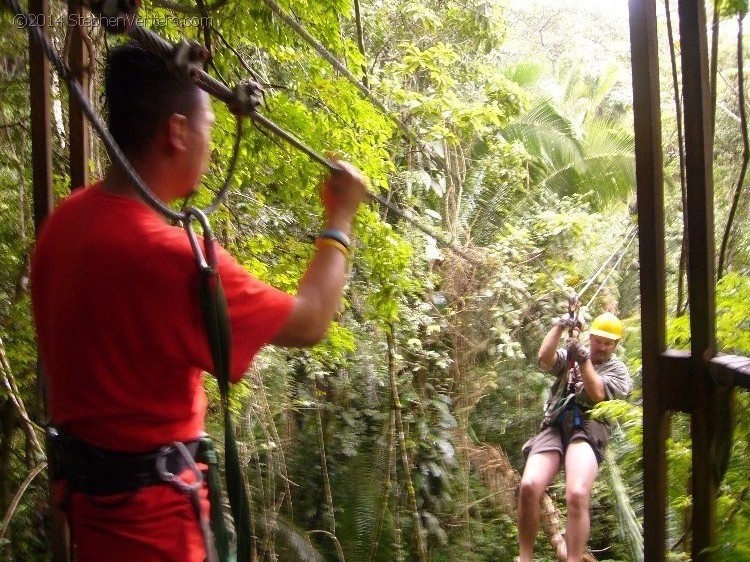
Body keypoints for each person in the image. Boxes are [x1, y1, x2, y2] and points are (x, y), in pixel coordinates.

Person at [30, 42, 369, 562]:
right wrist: (340, 216)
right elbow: (310, 320)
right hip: (159, 534)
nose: (210, 144)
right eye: (208, 127)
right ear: (177, 132)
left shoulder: (65, 223)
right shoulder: (172, 258)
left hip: (92, 524)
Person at [517, 312, 632, 562]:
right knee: (528, 486)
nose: (602, 346)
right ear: (591, 337)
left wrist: (582, 358)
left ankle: (573, 558)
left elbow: (597, 393)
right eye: (598, 340)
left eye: (608, 343)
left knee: (577, 493)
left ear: (615, 345)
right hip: (556, 422)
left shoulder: (618, 371)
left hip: (590, 425)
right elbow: (544, 358)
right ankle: (524, 558)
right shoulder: (570, 358)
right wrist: (560, 326)